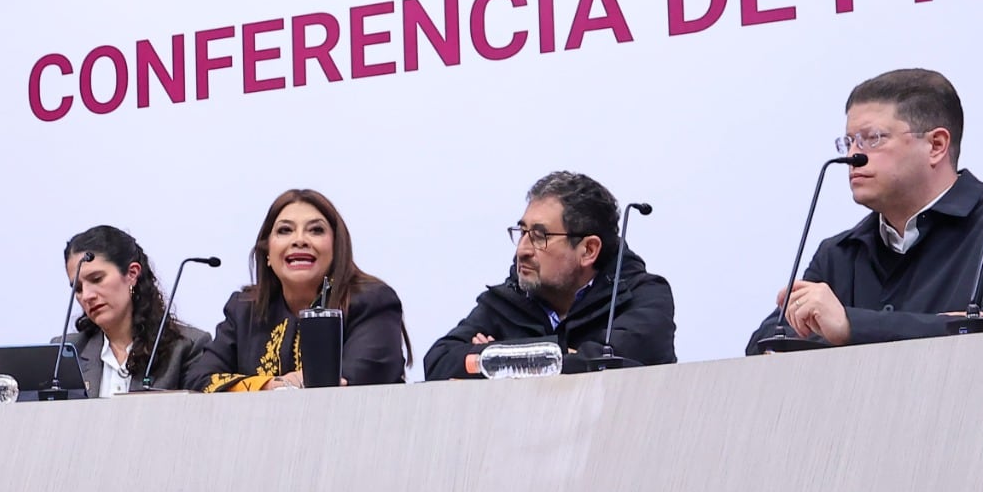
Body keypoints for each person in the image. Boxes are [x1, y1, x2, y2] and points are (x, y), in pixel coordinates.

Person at [751, 68, 983, 349]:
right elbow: (767, 344)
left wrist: (850, 326)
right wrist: (948, 326)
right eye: (849, 142)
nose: (853, 156)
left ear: (936, 145)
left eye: (873, 139)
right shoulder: (839, 253)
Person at [425, 171, 675, 378]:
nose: (522, 250)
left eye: (539, 236)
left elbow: (605, 363)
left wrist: (493, 357)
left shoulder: (643, 296)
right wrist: (564, 354)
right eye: (522, 232)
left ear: (588, 250)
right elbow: (440, 361)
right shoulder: (507, 301)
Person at [190, 188, 409, 390]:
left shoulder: (372, 302)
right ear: (268, 252)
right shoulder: (244, 309)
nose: (300, 240)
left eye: (316, 230)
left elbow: (349, 381)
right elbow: (199, 381)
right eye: (285, 230)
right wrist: (271, 385)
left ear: (336, 248)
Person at [63, 226, 206, 396]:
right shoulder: (65, 355)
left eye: (96, 279)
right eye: (77, 289)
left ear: (132, 274)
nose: (87, 296)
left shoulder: (186, 347)